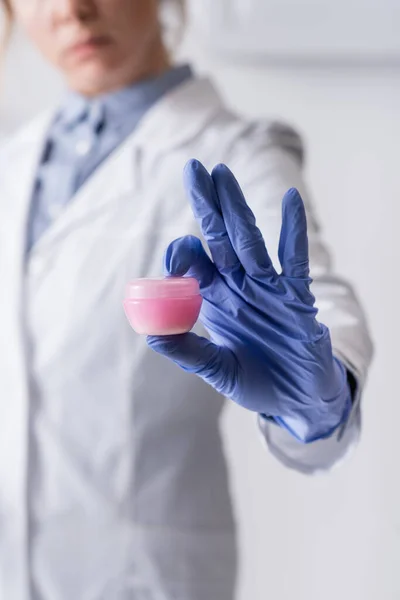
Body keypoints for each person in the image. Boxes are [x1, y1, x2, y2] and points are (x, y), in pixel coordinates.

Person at [0, 1, 373, 599]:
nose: (73, 9)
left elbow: (313, 294)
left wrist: (319, 396)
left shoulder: (238, 151)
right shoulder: (12, 163)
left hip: (144, 582)